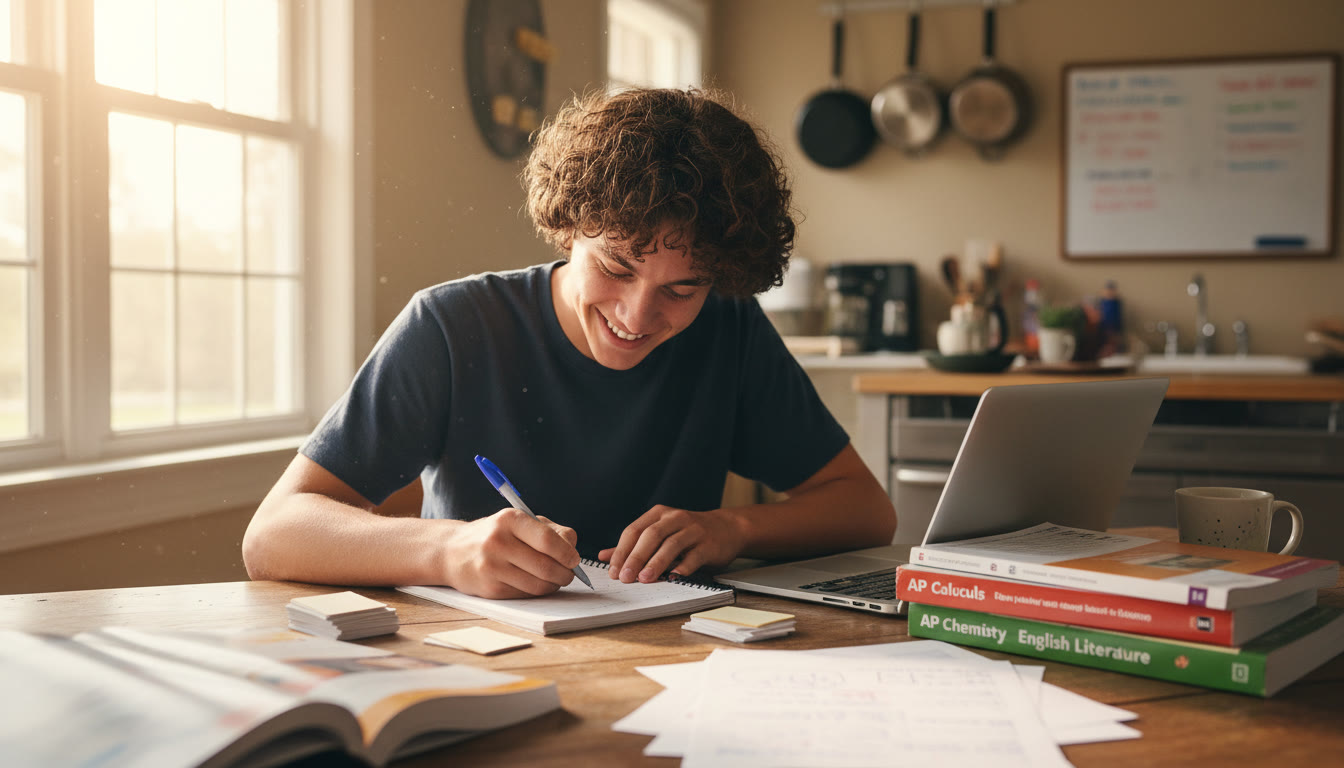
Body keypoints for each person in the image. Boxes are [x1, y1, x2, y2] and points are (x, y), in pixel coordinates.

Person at [242, 87, 896, 599]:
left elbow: (866, 510)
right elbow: (274, 535)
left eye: (683, 288)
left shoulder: (729, 328)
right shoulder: (453, 325)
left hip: (678, 658)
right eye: (616, 269)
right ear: (568, 228)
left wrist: (734, 527)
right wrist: (447, 551)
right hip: (482, 660)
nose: (638, 316)